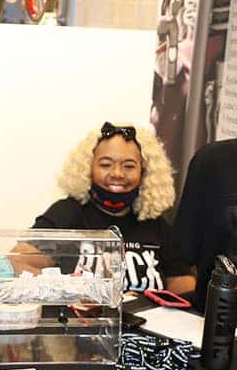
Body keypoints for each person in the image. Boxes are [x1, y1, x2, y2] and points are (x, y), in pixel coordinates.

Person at [24, 122, 196, 294]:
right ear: (88, 168)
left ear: (144, 172)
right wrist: (70, 293)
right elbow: (20, 263)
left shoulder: (155, 223)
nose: (117, 174)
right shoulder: (65, 214)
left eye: (129, 166)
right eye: (106, 165)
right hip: (87, 319)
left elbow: (182, 280)